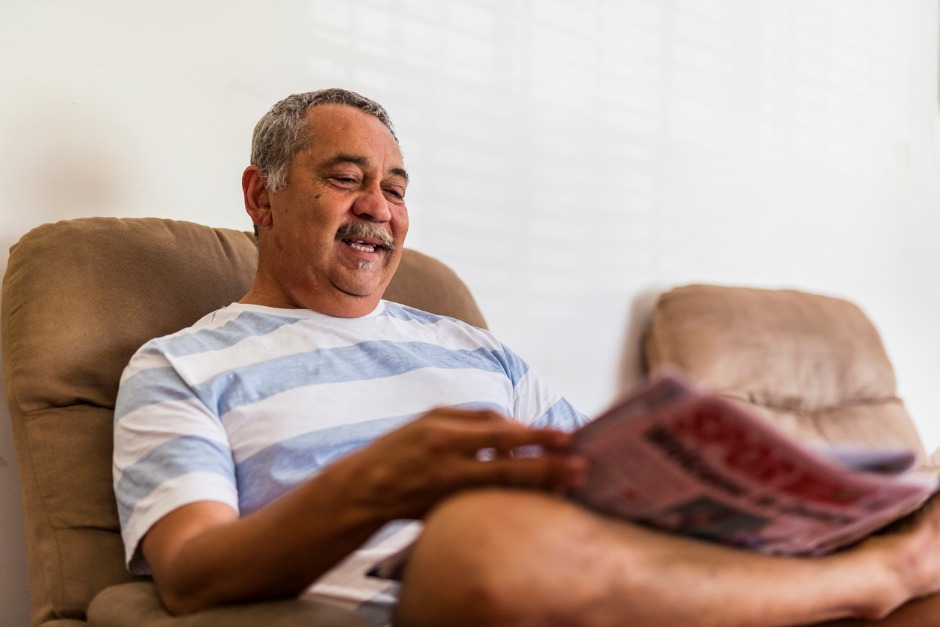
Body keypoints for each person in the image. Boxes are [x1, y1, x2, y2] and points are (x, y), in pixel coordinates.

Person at [114, 88, 940, 627]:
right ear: (262, 195)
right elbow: (188, 572)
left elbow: (606, 493)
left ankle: (871, 566)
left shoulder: (478, 351)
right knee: (483, 534)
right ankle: (865, 582)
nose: (379, 208)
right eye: (345, 177)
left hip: (608, 581)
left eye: (396, 189)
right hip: (459, 587)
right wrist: (379, 483)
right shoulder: (180, 365)